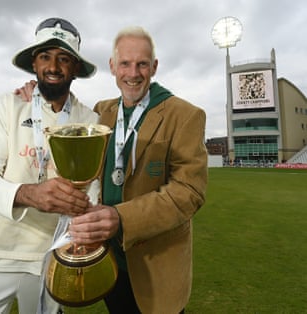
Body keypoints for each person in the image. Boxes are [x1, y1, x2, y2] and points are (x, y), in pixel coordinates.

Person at [0, 17, 99, 314]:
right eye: (45, 57)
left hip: (54, 253)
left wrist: (85, 221)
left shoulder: (90, 122)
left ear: (76, 68)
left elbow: (92, 191)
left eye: (63, 59)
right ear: (34, 64)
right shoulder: (7, 105)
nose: (53, 67)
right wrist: (31, 194)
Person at [67, 26, 208, 313]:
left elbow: (190, 192)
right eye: (125, 63)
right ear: (112, 67)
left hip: (157, 268)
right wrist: (33, 92)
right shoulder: (101, 112)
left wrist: (121, 217)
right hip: (109, 262)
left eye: (142, 63)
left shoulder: (185, 114)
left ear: (154, 67)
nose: (133, 73)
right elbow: (61, 111)